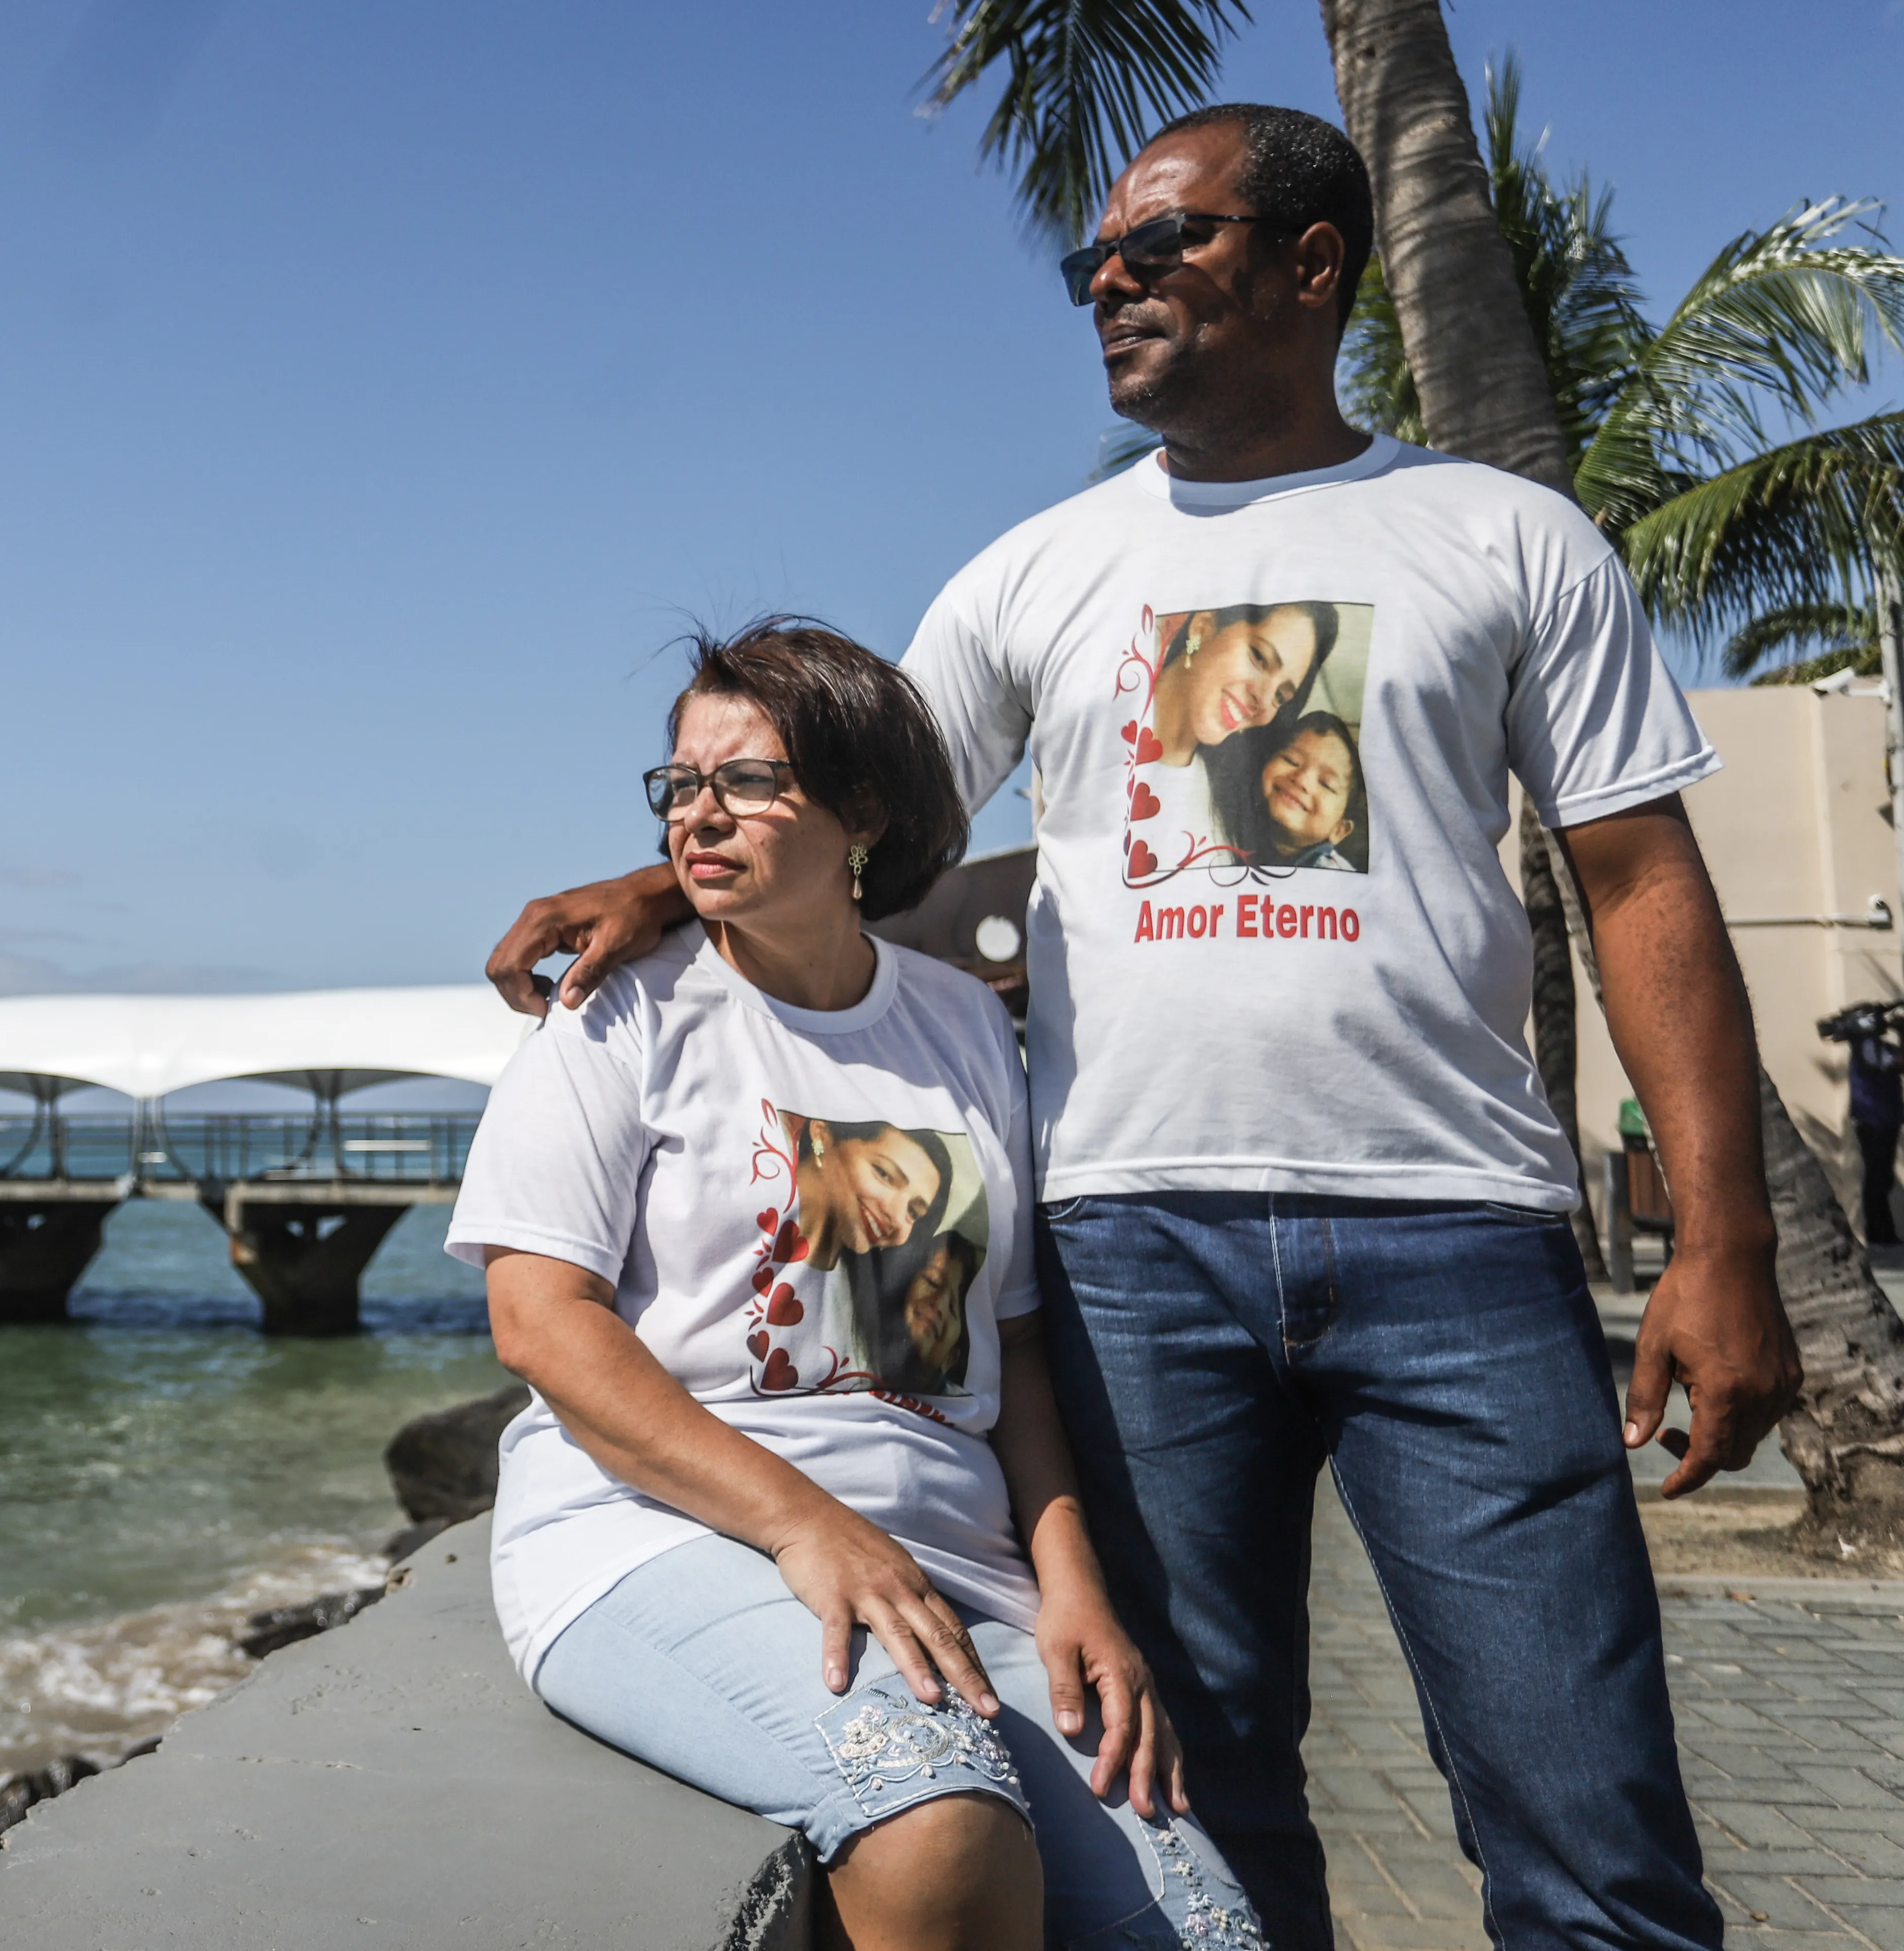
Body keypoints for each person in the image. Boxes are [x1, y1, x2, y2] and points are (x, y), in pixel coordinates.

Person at [485, 104, 1801, 1951]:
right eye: (1089, 261)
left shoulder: (1505, 537)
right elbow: (847, 807)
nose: (1106, 280)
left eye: (1159, 245)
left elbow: (1639, 881)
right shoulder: (1034, 573)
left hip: (1458, 1234)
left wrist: (1718, 1238)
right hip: (1124, 1250)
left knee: (1585, 1806)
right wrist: (654, 890)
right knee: (1205, 1775)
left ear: (1311, 264)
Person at [455, 621, 1260, 1951]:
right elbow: (537, 1321)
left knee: (1207, 1931)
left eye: (744, 781)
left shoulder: (957, 1026)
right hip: (660, 1536)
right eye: (677, 785)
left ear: (861, 813)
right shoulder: (618, 1013)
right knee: (937, 1825)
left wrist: (1072, 1590)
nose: (695, 815)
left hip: (947, 1569)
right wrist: (800, 1525)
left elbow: (1006, 1364)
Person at [1135, 604, 1334, 870]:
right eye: (1259, 658)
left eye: (1280, 697)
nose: (1263, 700)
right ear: (1203, 627)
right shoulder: (1106, 723)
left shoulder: (1229, 820)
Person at [1249, 712, 1364, 871]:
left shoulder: (1334, 880)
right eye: (1291, 760)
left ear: (1339, 830)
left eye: (1325, 784)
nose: (1302, 779)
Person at [1847, 1019, 1904, 1249]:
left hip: (1884, 1121)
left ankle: (1883, 1233)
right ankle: (1880, 1234)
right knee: (1877, 1179)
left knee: (1882, 1178)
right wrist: (1902, 1033)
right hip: (1874, 1122)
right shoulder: (1867, 1047)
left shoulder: (1877, 1046)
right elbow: (1900, 1063)